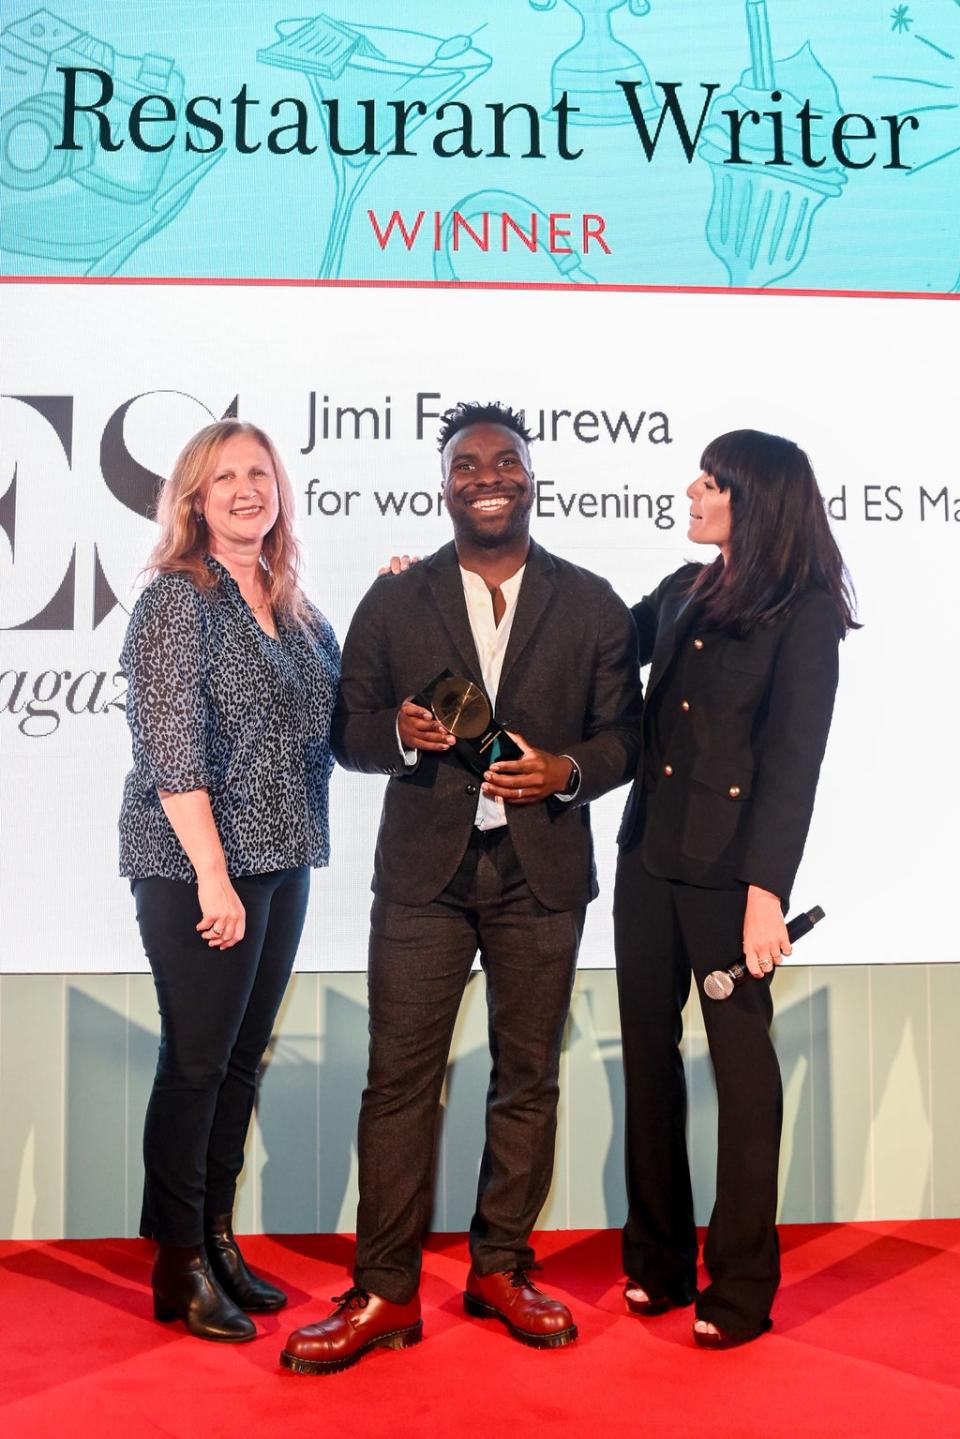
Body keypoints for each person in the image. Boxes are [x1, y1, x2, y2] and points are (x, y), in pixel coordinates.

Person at [281, 401, 642, 1374]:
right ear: (444, 484)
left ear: (531, 478)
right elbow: (349, 729)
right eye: (467, 461)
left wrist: (564, 769)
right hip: (422, 882)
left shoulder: (594, 600)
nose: (487, 473)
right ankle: (387, 1288)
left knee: (528, 1079)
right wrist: (400, 730)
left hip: (544, 875)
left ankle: (500, 1267)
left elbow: (627, 736)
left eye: (505, 459)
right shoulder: (396, 601)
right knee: (399, 1082)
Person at [614, 428, 857, 1348]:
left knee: (743, 1079)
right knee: (648, 1059)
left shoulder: (803, 613)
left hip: (730, 880)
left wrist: (767, 891)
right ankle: (659, 1261)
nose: (693, 490)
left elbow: (795, 762)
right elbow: (598, 639)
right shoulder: (681, 591)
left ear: (751, 499)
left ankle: (743, 1284)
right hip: (647, 862)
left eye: (711, 482)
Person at [119, 420, 340, 1342]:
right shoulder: (176, 600)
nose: (247, 488)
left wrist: (404, 599)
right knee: (198, 1062)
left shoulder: (292, 605)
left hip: (281, 862)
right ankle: (178, 1265)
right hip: (195, 868)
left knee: (240, 1063)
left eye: (260, 473)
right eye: (225, 478)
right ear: (194, 499)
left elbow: (343, 714)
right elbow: (171, 750)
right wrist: (213, 876)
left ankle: (214, 1236)